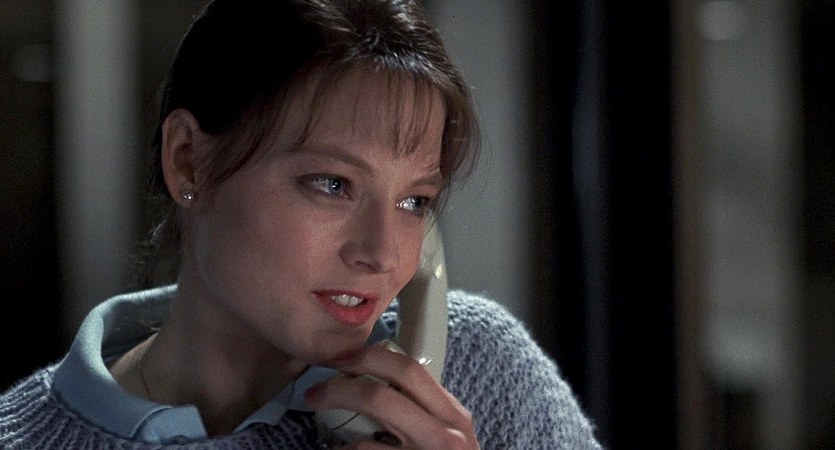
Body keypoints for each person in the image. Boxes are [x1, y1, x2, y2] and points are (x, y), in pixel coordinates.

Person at [0, 0, 601, 448]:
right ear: (187, 160)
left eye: (414, 201)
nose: (382, 255)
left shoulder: (479, 370)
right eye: (333, 184)